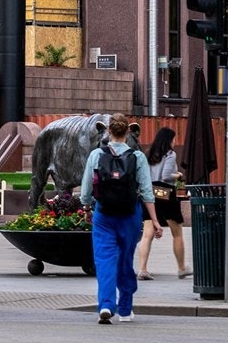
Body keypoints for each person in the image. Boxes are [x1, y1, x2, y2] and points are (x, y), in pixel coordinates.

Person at [80, 114, 161, 324]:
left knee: (104, 260)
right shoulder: (138, 157)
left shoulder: (96, 155)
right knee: (125, 260)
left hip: (104, 214)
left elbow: (86, 189)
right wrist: (155, 221)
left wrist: (87, 207)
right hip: (130, 215)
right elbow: (146, 192)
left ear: (108, 131)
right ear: (127, 132)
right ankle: (125, 309)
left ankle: (106, 305)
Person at [134, 127, 189, 280]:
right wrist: (178, 175)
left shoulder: (148, 154)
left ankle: (142, 269)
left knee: (147, 234)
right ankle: (182, 268)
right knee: (177, 232)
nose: (175, 142)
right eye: (173, 139)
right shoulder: (170, 154)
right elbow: (165, 177)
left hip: (149, 194)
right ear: (168, 140)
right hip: (165, 194)